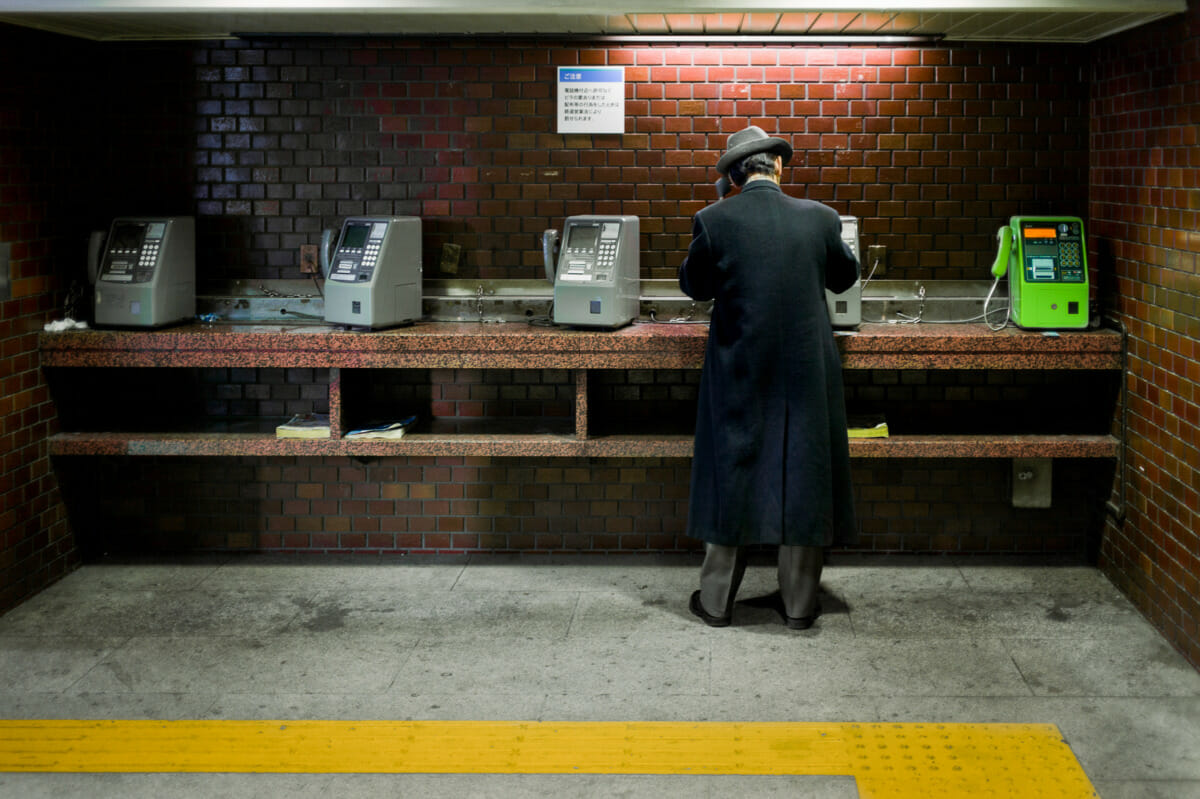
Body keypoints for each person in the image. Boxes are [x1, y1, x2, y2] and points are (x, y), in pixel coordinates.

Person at [680, 125, 860, 630]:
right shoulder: (822, 219)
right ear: (778, 167)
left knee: (731, 472)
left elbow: (695, 286)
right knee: (803, 474)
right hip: (806, 371)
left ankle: (716, 603)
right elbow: (845, 277)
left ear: (734, 177)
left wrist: (716, 213)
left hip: (740, 368)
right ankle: (800, 605)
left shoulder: (714, 219)